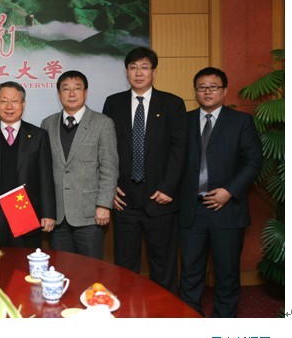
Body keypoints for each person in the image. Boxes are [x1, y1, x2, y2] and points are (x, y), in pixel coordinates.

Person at [179, 67, 262, 317]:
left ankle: (223, 322)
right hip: (191, 208)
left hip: (227, 209)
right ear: (195, 91)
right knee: (190, 271)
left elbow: (254, 162)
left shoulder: (241, 122)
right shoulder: (183, 121)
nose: (207, 92)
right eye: (202, 87)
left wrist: (229, 191)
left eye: (213, 87)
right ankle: (190, 317)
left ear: (224, 91)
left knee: (227, 272)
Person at [102, 46, 187, 293]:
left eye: (144, 67)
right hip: (124, 199)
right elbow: (106, 149)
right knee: (125, 266)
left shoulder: (172, 104)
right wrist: (110, 188)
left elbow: (179, 150)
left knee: (164, 265)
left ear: (154, 71)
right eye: (133, 68)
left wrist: (168, 188)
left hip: (160, 198)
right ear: (126, 71)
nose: (138, 73)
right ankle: (125, 310)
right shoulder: (113, 103)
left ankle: (164, 310)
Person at [41, 70, 118, 259]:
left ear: (86, 92)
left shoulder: (102, 123)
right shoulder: (48, 124)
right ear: (59, 94)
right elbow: (43, 171)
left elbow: (109, 168)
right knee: (61, 269)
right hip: (57, 216)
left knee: (91, 269)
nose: (71, 94)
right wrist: (46, 210)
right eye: (66, 89)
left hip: (90, 215)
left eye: (77, 88)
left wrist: (104, 205)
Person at [0, 81, 56, 248]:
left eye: (15, 101)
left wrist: (48, 214)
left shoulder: (38, 135)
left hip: (26, 213)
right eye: (4, 101)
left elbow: (46, 178)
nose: (9, 106)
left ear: (23, 104)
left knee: (26, 262)